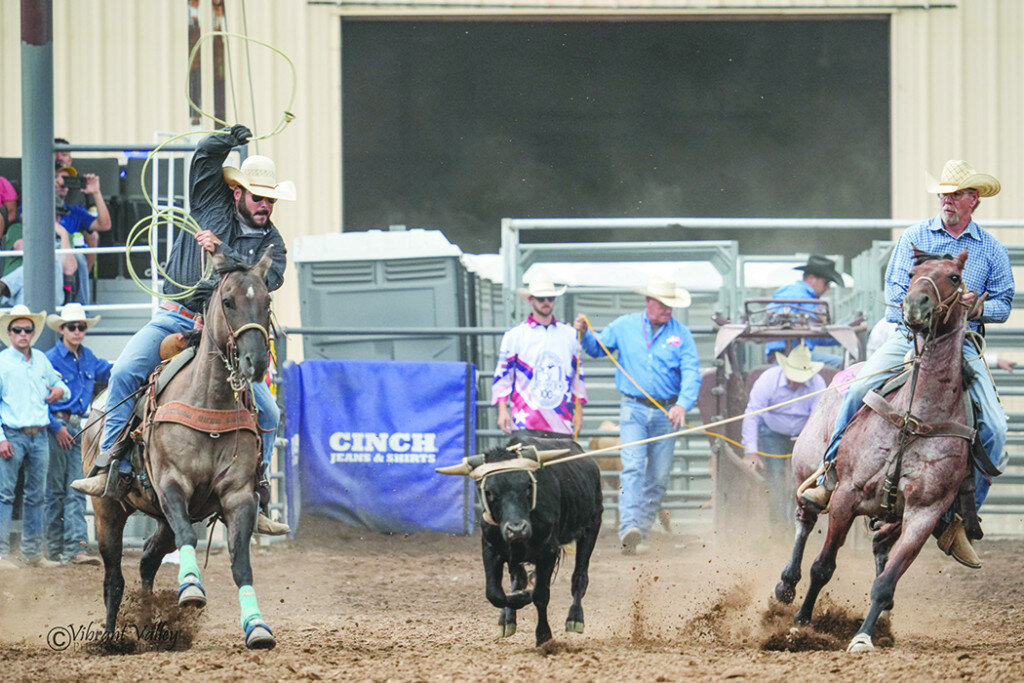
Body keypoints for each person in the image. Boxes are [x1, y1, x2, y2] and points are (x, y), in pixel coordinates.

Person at [71, 124, 292, 536]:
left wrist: (219, 255)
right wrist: (225, 140)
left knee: (270, 411)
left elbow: (249, 287)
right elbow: (204, 161)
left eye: (271, 200)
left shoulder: (273, 246)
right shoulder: (212, 205)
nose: (266, 206)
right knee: (123, 374)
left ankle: (254, 492)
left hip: (224, 334)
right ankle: (109, 465)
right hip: (176, 317)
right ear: (238, 193)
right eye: (259, 197)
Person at [801, 160, 1014, 569]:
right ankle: (829, 474)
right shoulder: (915, 237)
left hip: (961, 345)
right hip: (908, 337)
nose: (947, 200)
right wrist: (919, 319)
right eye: (944, 193)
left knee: (996, 427)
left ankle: (957, 517)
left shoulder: (990, 249)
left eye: (956, 194)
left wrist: (978, 304)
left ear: (974, 200)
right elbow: (895, 291)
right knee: (860, 387)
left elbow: (1005, 304)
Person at [573, 276, 702, 555]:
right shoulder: (624, 326)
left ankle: (639, 532)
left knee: (658, 476)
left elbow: (692, 372)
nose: (667, 310)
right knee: (631, 467)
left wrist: (682, 404)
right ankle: (629, 526)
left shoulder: (681, 335)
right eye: (663, 304)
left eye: (671, 305)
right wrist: (584, 332)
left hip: (666, 412)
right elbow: (597, 348)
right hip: (633, 408)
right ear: (648, 302)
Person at [0, 305, 70, 570]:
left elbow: (61, 386)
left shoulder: (40, 359)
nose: (23, 334)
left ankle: (31, 553)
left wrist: (58, 392)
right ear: (9, 333)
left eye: (27, 330)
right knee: (5, 494)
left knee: (35, 495)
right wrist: (1, 438)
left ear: (32, 333)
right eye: (18, 330)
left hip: (38, 434)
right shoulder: (2, 363)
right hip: (14, 434)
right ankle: (2, 554)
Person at [44, 304, 110, 565]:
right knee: (57, 490)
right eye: (72, 327)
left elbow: (113, 371)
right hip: (58, 426)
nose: (77, 331)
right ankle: (58, 547)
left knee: (76, 487)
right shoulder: (49, 360)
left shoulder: (89, 357)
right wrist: (55, 426)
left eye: (81, 327)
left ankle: (72, 548)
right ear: (62, 329)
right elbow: (37, 399)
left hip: (77, 428)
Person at [742, 344, 826, 527]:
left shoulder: (817, 383)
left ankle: (803, 524)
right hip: (773, 433)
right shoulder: (768, 380)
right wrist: (751, 451)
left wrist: (807, 437)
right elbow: (752, 414)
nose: (795, 383)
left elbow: (819, 417)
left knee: (808, 480)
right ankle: (779, 526)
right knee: (776, 479)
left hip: (804, 435)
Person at [492, 275, 585, 436]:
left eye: (550, 298)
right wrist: (502, 409)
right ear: (531, 300)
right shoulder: (515, 335)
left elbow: (577, 376)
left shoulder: (570, 335)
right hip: (526, 419)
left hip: (560, 420)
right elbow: (504, 375)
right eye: (541, 298)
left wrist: (579, 411)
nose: (546, 302)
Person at [765, 255, 846, 367]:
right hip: (787, 357)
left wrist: (845, 330)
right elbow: (777, 321)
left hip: (798, 355)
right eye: (826, 283)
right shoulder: (793, 292)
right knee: (845, 364)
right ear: (812, 278)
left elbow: (815, 337)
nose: (827, 288)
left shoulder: (809, 299)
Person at [55, 166, 112, 304]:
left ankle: (80, 311)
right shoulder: (34, 206)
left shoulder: (74, 211)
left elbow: (104, 225)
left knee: (79, 257)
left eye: (67, 181)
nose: (63, 184)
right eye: (58, 178)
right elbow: (23, 218)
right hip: (44, 255)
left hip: (70, 259)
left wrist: (96, 192)